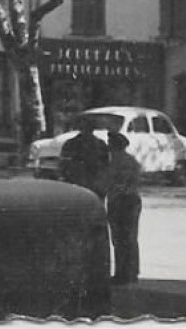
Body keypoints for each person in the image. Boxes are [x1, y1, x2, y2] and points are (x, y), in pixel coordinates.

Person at [104, 130, 143, 284]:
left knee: (121, 238)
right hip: (129, 200)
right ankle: (129, 271)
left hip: (123, 200)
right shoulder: (130, 160)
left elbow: (120, 183)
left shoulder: (118, 162)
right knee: (128, 238)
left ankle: (124, 272)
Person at [59, 120, 111, 198]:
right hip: (75, 183)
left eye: (89, 128)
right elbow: (64, 163)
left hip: (94, 184)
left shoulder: (100, 145)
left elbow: (105, 166)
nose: (86, 131)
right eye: (84, 128)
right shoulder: (71, 144)